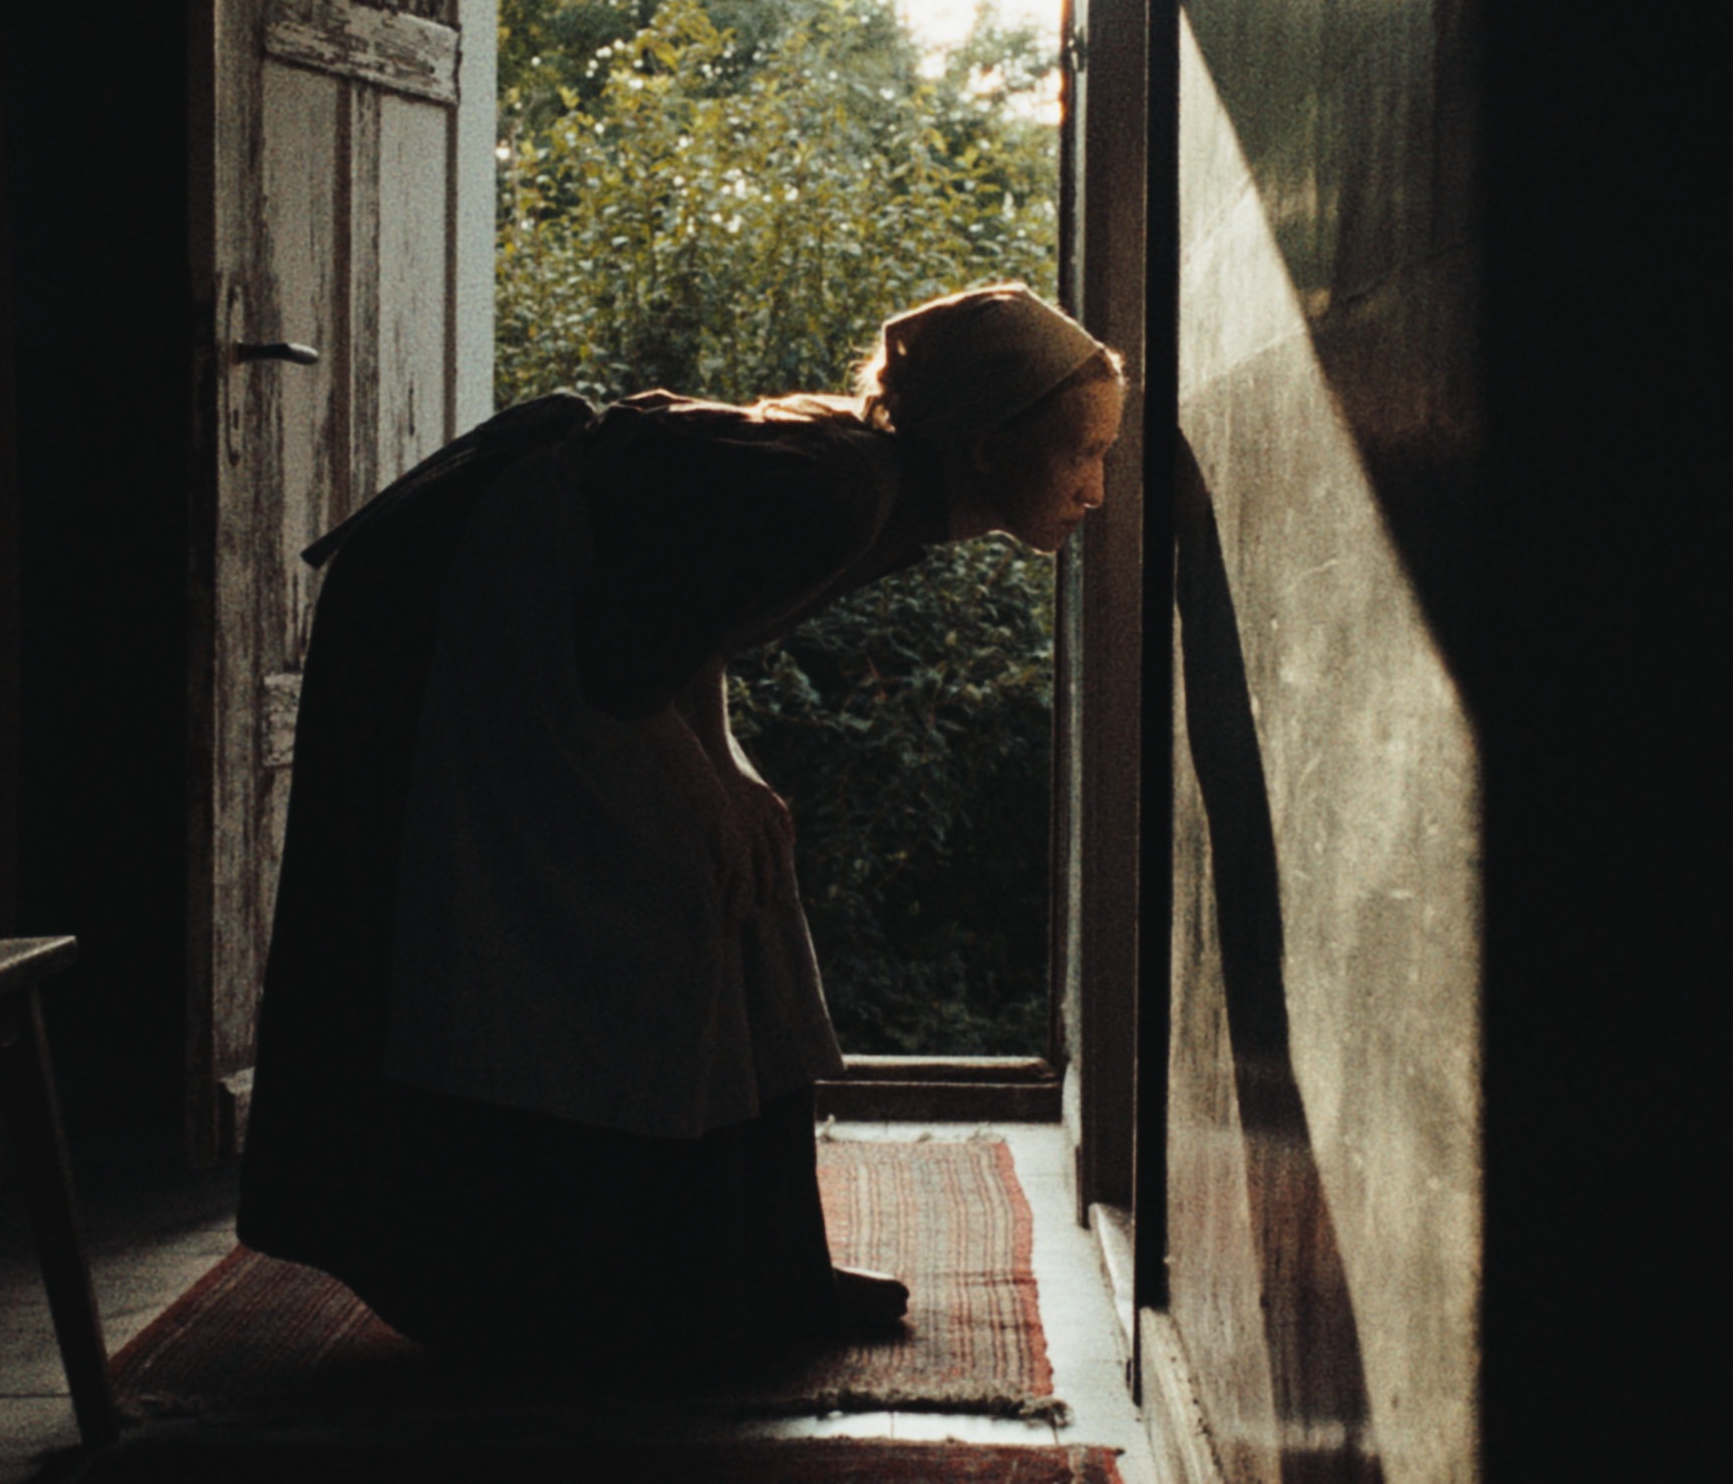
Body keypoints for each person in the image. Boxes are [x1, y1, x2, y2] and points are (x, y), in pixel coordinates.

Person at [236, 282, 1124, 1381]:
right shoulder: (845, 491)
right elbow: (625, 641)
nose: (1097, 487)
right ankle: (585, 1275)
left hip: (566, 604)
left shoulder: (877, 491)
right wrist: (706, 796)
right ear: (989, 445)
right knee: (646, 906)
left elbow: (693, 612)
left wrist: (731, 773)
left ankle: (768, 1263)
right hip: (477, 591)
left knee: (745, 879)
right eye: (1085, 452)